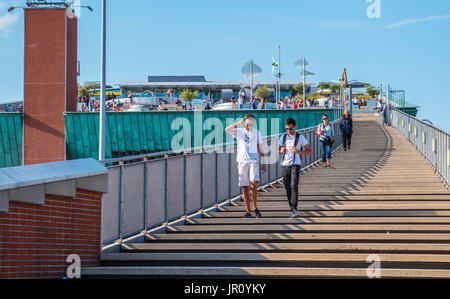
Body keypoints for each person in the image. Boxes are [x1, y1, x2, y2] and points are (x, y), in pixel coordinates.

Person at [225, 114, 267, 218]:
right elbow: (227, 129)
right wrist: (239, 123)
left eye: (252, 122)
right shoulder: (239, 131)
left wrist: (264, 163)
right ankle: (248, 211)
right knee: (245, 187)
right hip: (242, 161)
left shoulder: (257, 133)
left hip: (254, 160)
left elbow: (260, 148)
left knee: (253, 183)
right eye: (248, 122)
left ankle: (254, 207)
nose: (250, 124)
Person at [279, 118, 313, 217]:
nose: (288, 131)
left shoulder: (300, 138)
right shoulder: (283, 137)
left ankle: (294, 208)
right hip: (284, 165)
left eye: (290, 129)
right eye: (286, 129)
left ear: (294, 127)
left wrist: (298, 152)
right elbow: (277, 150)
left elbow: (310, 151)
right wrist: (280, 150)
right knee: (287, 188)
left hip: (295, 164)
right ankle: (292, 208)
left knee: (294, 186)